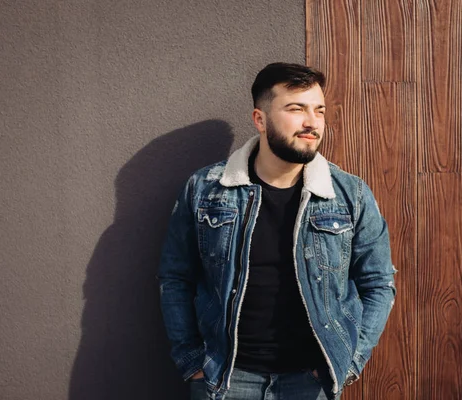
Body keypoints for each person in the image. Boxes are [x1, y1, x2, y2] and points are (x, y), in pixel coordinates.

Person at [158, 62, 397, 400]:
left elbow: (379, 284)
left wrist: (350, 362)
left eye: (319, 111)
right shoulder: (206, 190)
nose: (311, 122)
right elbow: (175, 277)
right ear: (260, 119)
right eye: (296, 109)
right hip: (225, 379)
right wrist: (192, 362)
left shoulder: (350, 195)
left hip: (309, 383)